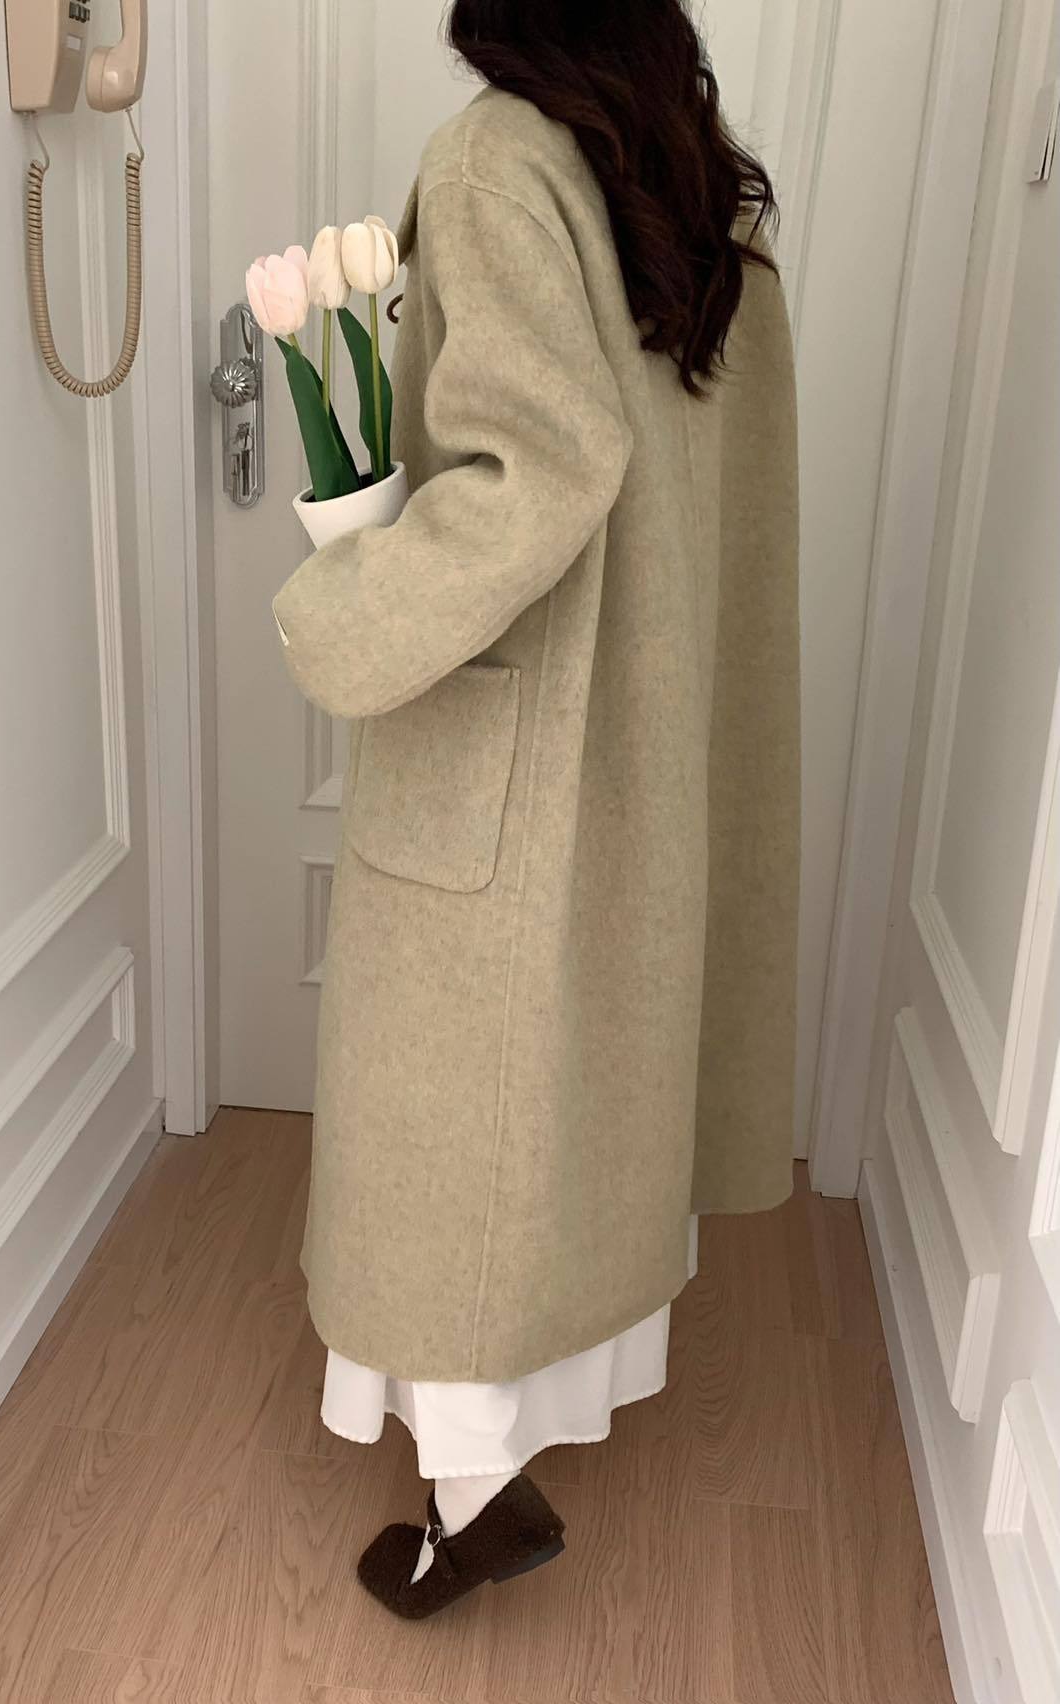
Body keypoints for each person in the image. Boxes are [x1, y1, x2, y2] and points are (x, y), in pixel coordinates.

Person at [271, 0, 799, 1619]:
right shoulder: (690, 174)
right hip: (642, 723)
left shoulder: (496, 162)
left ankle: (471, 1495)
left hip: (514, 726)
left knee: (451, 1123)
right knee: (560, 1103)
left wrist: (344, 605)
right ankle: (497, 1459)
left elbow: (537, 471)